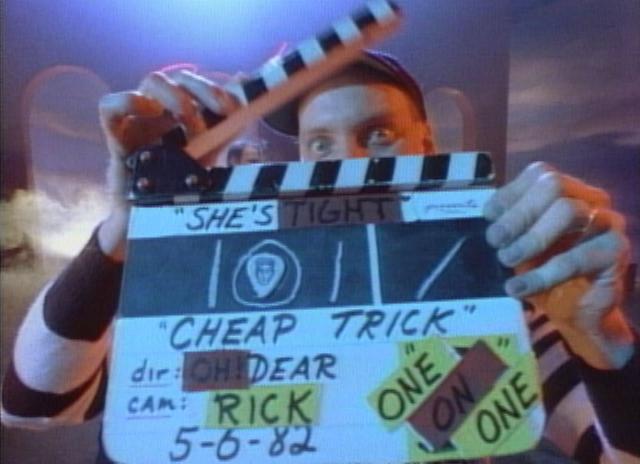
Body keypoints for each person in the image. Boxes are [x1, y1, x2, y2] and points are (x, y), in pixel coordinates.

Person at [1, 50, 638, 463]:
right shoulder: (236, 291)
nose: (350, 163)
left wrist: (603, 340)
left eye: (378, 135)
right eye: (322, 145)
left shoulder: (493, 305)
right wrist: (127, 223)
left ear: (427, 146)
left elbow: (612, 451)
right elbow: (34, 403)